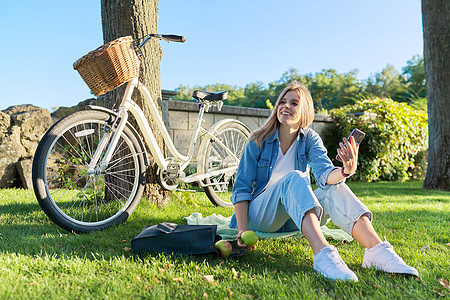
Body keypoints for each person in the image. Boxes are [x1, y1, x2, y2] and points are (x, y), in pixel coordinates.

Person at [230, 81, 418, 282]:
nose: (286, 106)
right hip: (259, 217)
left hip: (294, 219)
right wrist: (242, 230)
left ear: (304, 111)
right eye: (282, 102)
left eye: (294, 103)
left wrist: (346, 170)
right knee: (295, 177)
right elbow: (241, 189)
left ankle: (376, 250)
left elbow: (325, 174)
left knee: (335, 187)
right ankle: (323, 254)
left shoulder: (310, 139)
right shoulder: (257, 140)